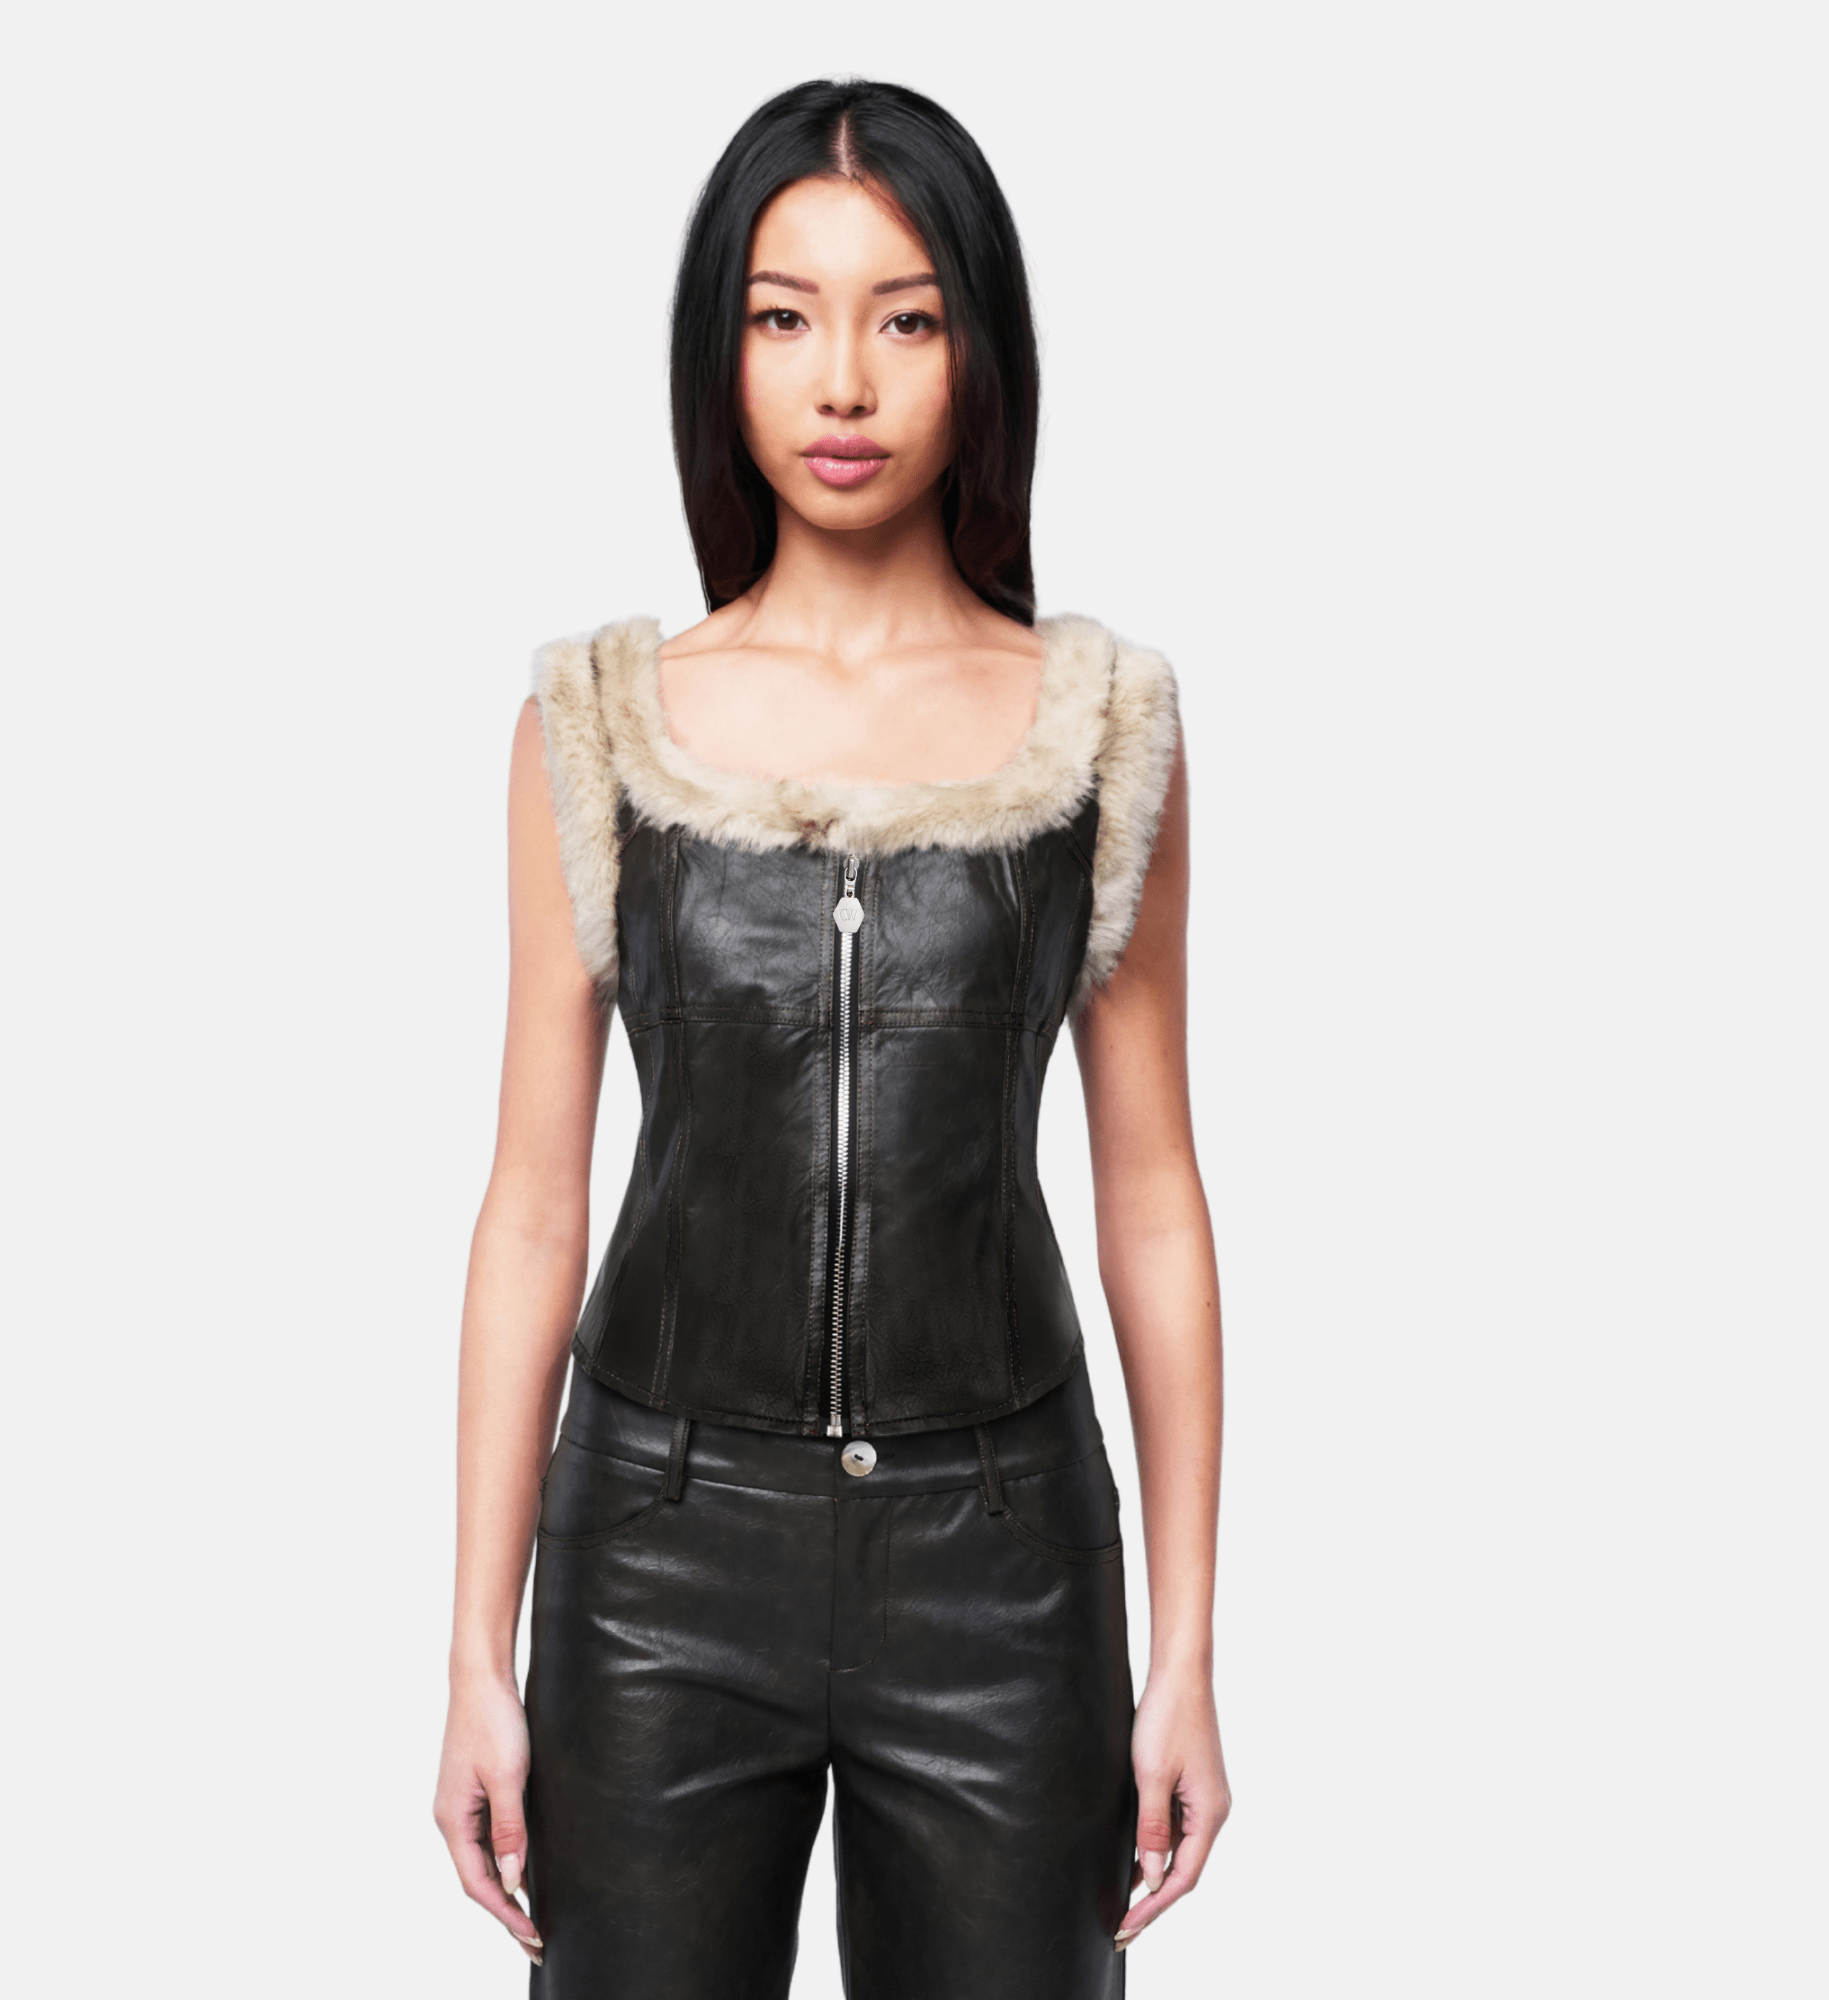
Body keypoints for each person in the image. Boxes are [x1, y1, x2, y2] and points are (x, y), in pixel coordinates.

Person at [434, 77, 1229, 1998]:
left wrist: (1187, 1645)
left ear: (980, 348)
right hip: (655, 1565)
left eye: (907, 317)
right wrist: (474, 1645)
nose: (844, 380)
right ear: (720, 353)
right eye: (784, 316)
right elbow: (533, 1204)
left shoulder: (1104, 728)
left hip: (1005, 1570)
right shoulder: (594, 725)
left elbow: (1153, 1194)